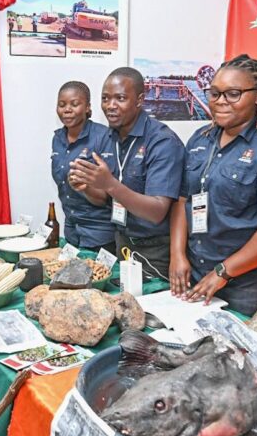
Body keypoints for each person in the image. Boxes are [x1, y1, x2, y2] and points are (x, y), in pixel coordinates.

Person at [168, 55, 257, 314]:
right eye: (215, 93)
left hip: (252, 284)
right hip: (201, 272)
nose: (220, 102)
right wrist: (177, 254)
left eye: (233, 94)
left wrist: (223, 271)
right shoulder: (201, 138)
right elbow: (183, 199)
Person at [70, 67, 185, 278]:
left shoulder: (162, 141)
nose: (111, 106)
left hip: (156, 250)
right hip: (121, 242)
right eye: (105, 98)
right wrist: (86, 187)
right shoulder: (108, 138)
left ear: (139, 100)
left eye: (120, 98)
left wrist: (110, 183)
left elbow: (157, 211)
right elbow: (104, 198)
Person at [51, 81, 116, 252]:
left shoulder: (103, 137)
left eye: (74, 104)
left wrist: (85, 188)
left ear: (87, 107)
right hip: (71, 231)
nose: (67, 109)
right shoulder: (58, 139)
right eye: (62, 104)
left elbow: (106, 197)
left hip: (99, 234)